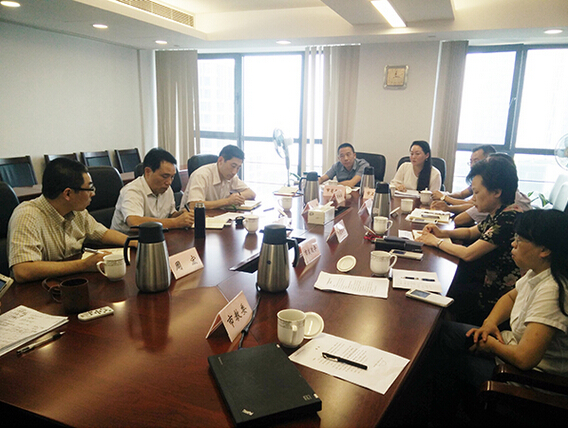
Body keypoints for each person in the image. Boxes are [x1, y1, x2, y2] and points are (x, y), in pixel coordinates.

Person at [426, 209, 568, 425]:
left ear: (545, 250)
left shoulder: (553, 291)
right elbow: (510, 298)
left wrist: (491, 345)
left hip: (526, 380)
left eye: (520, 240)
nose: (513, 244)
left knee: (448, 360)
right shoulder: (538, 272)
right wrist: (489, 323)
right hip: (508, 350)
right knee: (443, 332)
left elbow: (525, 359)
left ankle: (445, 420)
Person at [417, 156, 523, 325]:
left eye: (477, 192)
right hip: (485, 282)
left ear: (497, 192)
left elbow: (468, 254)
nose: (473, 198)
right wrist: (442, 233)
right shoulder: (500, 212)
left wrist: (436, 241)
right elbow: (470, 232)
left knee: (439, 295)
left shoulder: (509, 218)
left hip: (496, 297)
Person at [7, 158, 131, 283]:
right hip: (38, 289)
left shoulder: (77, 210)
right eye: (90, 188)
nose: (93, 194)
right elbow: (22, 270)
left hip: (70, 282)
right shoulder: (27, 216)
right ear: (68, 194)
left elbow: (103, 233)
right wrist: (84, 265)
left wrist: (135, 242)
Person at [111, 148, 194, 234]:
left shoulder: (167, 189)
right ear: (148, 172)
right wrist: (175, 222)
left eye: (172, 177)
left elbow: (170, 215)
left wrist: (181, 215)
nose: (169, 182)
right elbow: (134, 223)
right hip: (127, 240)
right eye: (165, 176)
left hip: (156, 237)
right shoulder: (132, 191)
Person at [180, 145, 256, 210]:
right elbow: (194, 205)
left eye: (238, 168)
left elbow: (251, 193)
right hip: (191, 219)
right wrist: (228, 201)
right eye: (233, 166)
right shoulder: (201, 175)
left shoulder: (231, 176)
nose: (234, 172)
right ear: (220, 160)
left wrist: (237, 196)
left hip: (216, 216)